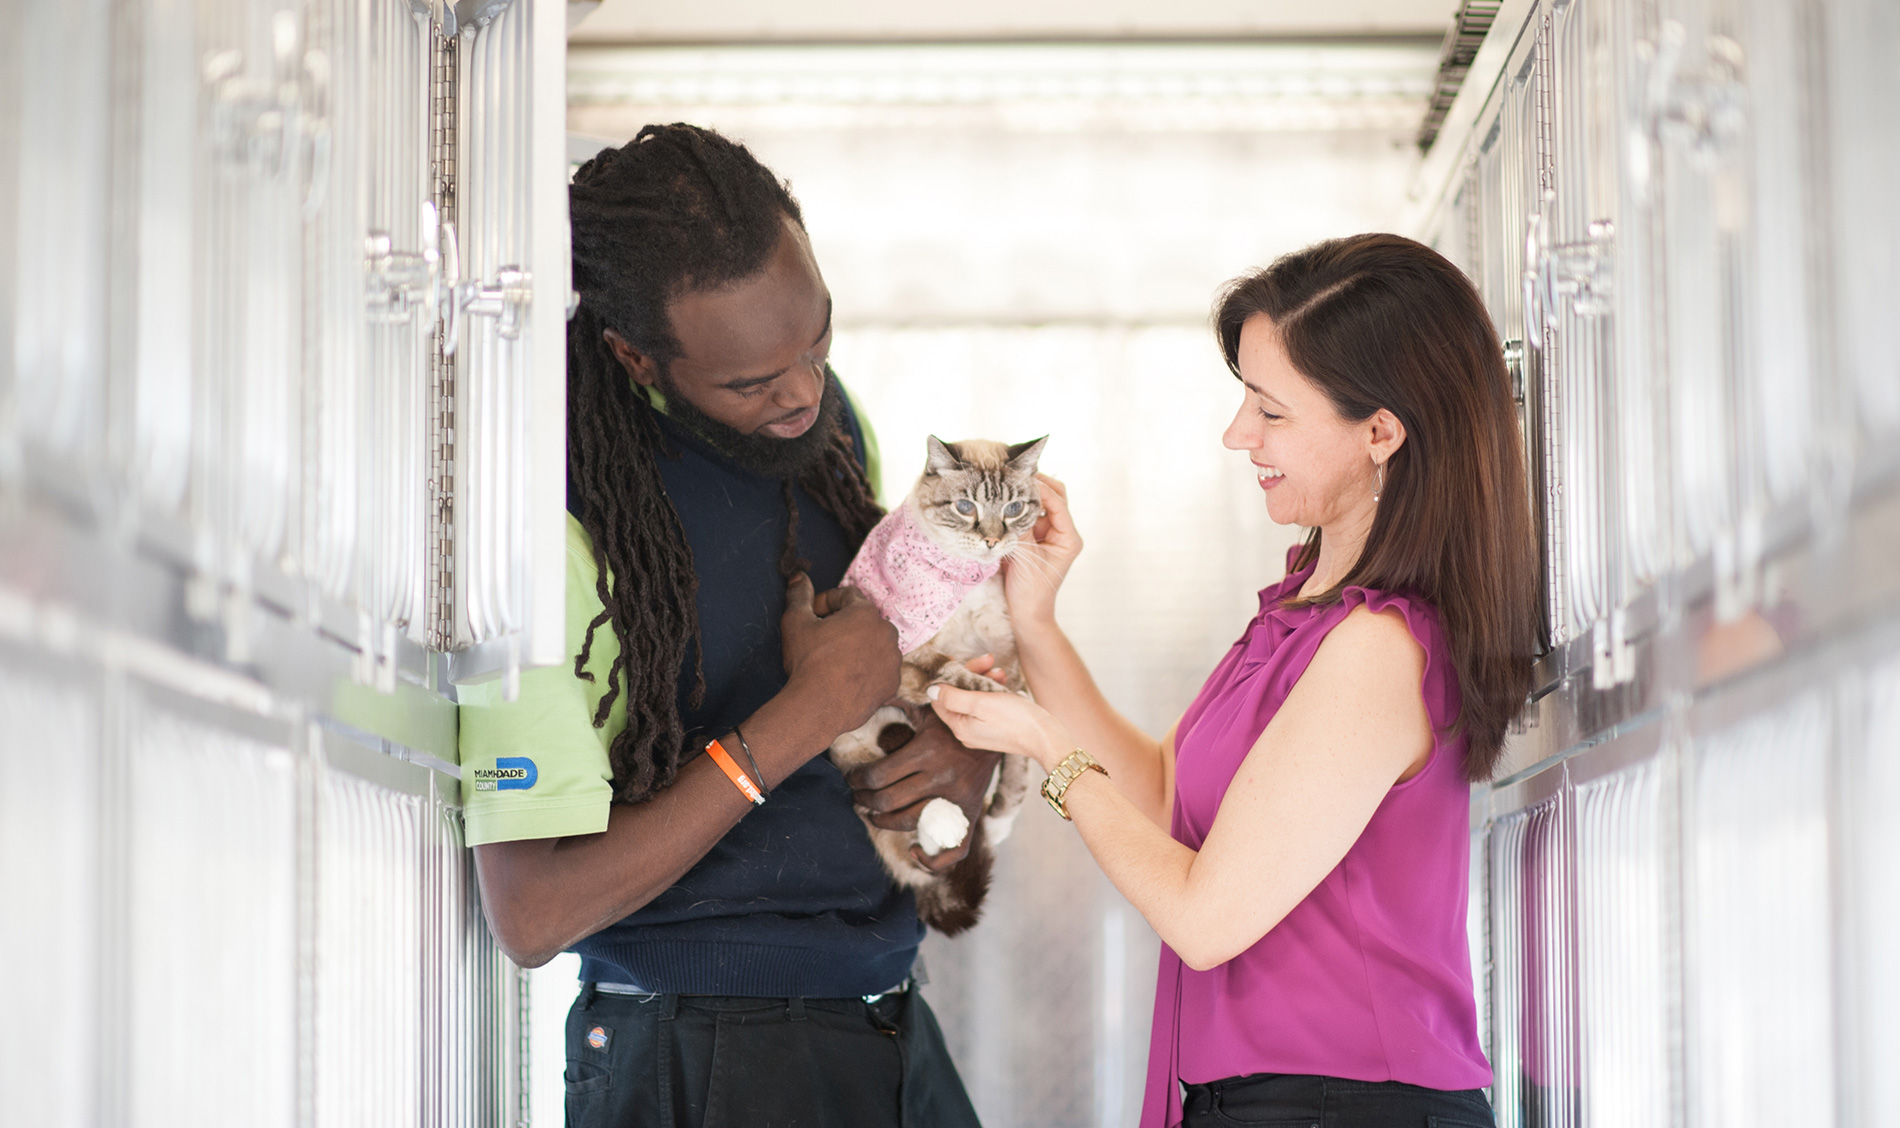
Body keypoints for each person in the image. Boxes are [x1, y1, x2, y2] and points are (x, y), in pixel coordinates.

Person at [926, 234, 1541, 1128]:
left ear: (1380, 433)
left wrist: (1045, 746)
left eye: (1271, 411)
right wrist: (1036, 624)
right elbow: (1158, 794)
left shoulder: (1379, 649)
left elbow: (1203, 919)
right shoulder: (1302, 614)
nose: (1236, 434)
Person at [456, 124, 991, 1127]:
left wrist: (960, 752)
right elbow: (532, 916)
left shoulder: (831, 428)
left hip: (884, 1009)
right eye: (751, 382)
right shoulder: (549, 521)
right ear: (636, 356)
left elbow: (885, 655)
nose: (802, 393)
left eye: (817, 341)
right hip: (698, 1047)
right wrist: (805, 715)